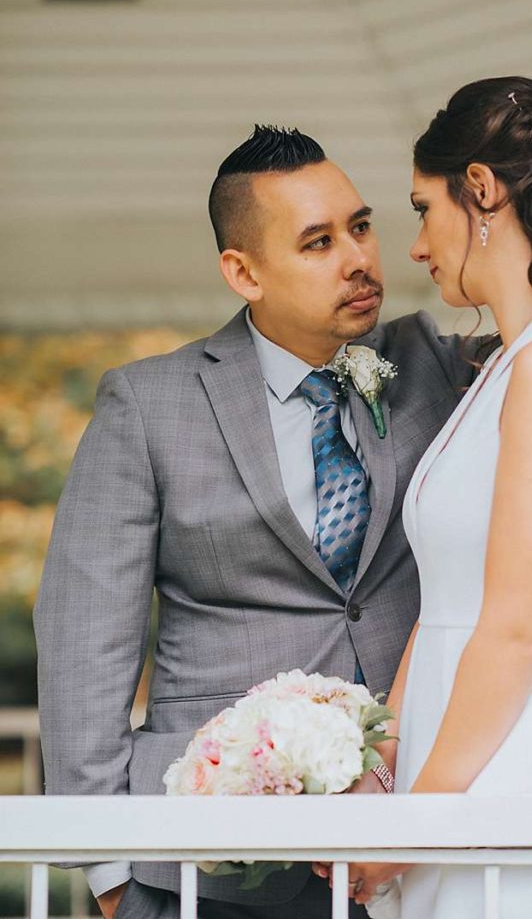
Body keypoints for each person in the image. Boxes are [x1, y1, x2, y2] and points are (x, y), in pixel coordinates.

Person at [34, 125, 485, 919]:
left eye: (362, 226)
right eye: (317, 242)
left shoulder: (425, 365)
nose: (358, 259)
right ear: (243, 271)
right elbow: (85, 648)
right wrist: (110, 874)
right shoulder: (148, 406)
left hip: (406, 847)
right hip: (210, 864)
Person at [345, 77, 532, 918]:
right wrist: (382, 768)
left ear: (481, 191)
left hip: (524, 760)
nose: (419, 246)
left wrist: (414, 828)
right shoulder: (505, 366)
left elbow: (514, 625)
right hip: (457, 760)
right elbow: (450, 605)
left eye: (421, 210)